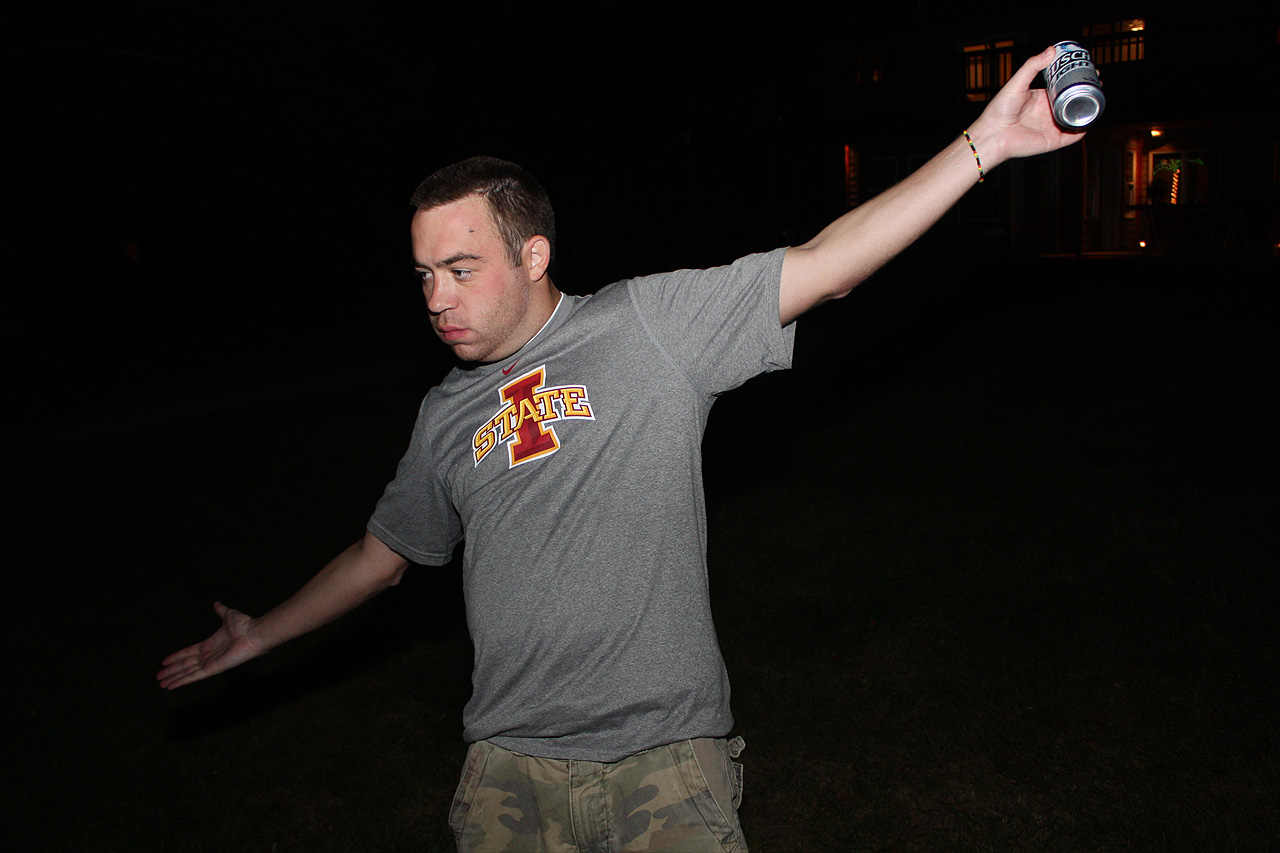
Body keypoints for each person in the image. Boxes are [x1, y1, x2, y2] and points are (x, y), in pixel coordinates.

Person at [158, 47, 1082, 852]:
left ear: (533, 256)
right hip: (510, 772)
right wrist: (261, 634)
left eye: (462, 268)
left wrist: (985, 145)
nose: (436, 298)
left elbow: (826, 265)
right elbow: (382, 556)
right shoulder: (444, 415)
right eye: (425, 274)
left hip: (664, 760)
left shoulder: (647, 326)